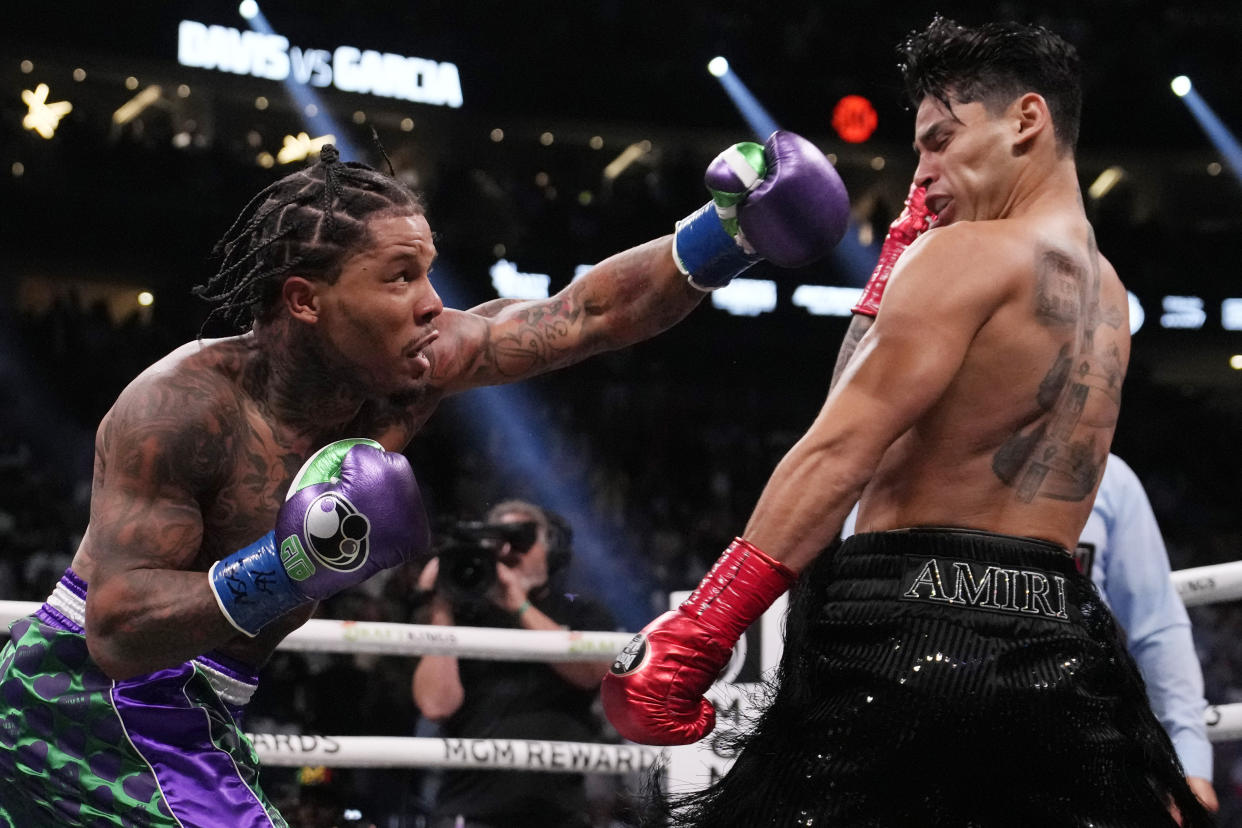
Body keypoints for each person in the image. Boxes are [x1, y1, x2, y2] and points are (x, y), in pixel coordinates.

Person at [0, 131, 850, 828]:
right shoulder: (182, 406)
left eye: (430, 270)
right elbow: (115, 631)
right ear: (304, 300)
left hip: (195, 699)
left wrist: (726, 234)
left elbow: (583, 314)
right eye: (400, 277)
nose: (434, 302)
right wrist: (287, 566)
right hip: (98, 696)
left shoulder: (417, 369)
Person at [601, 16, 1215, 827]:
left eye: (939, 139)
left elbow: (839, 444)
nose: (919, 171)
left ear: (1026, 120)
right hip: (1058, 643)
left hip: (908, 628)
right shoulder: (1108, 294)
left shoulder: (968, 255)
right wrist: (895, 267)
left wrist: (705, 627)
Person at [840, 450, 1220, 815]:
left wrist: (1189, 760)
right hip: (920, 736)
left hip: (1071, 740)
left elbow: (1156, 625)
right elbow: (856, 610)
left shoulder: (1105, 476)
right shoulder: (899, 459)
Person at [413, 500, 615, 828]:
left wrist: (517, 606)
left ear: (548, 548)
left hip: (559, 812)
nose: (510, 552)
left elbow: (593, 674)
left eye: (522, 540)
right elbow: (436, 705)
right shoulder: (466, 615)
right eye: (499, 542)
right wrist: (441, 605)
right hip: (470, 809)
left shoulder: (579, 610)